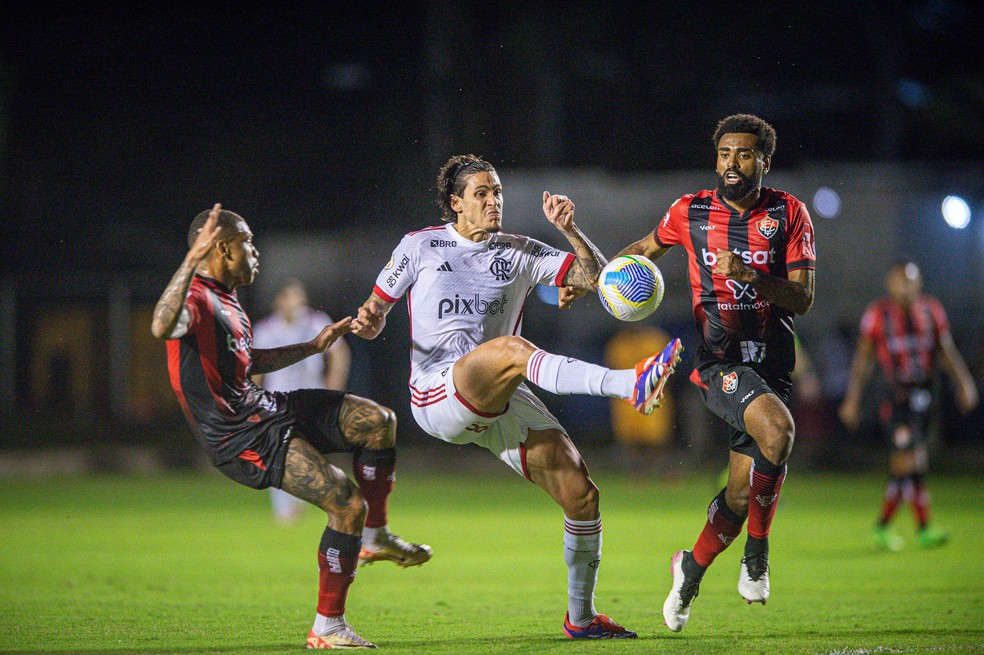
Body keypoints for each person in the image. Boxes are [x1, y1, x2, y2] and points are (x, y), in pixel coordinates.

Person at [351, 154, 683, 640]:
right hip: (437, 394)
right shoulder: (420, 247)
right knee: (508, 350)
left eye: (498, 191)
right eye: (481, 193)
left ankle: (582, 619)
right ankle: (627, 383)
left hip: (502, 389)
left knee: (581, 494)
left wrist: (571, 230)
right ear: (455, 203)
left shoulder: (520, 250)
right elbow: (376, 305)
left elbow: (601, 281)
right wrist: (371, 319)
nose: (493, 201)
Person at [151, 204, 431, 650]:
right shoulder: (197, 297)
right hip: (240, 436)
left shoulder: (229, 300)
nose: (256, 253)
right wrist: (190, 260)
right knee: (345, 503)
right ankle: (328, 627)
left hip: (267, 408)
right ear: (220, 249)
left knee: (379, 421)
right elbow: (161, 324)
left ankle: (376, 537)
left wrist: (313, 346)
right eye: (248, 244)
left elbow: (247, 364)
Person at [612, 114, 816, 632]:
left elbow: (803, 297)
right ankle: (758, 554)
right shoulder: (691, 211)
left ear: (764, 161)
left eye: (744, 155)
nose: (732, 164)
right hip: (718, 359)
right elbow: (641, 252)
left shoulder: (789, 214)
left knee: (741, 494)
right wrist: (593, 277)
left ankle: (689, 573)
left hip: (771, 362)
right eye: (725, 153)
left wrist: (751, 275)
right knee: (780, 431)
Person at [838, 260, 978, 550]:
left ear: (919, 283)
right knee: (909, 458)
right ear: (890, 284)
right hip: (894, 396)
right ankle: (903, 527)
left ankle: (905, 528)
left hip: (925, 395)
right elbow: (863, 359)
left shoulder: (931, 310)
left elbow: (945, 349)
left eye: (911, 281)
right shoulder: (878, 314)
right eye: (900, 281)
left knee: (912, 463)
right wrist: (853, 399)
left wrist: (964, 382)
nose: (906, 287)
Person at [253, 278, 352, 524]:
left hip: (310, 397)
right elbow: (254, 368)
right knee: (277, 451)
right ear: (279, 300)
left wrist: (334, 388)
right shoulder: (265, 328)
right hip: (277, 399)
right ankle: (285, 511)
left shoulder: (315, 322)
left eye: (299, 297)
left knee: (312, 453)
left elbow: (340, 353)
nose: (296, 302)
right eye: (290, 296)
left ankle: (310, 504)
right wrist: (253, 399)